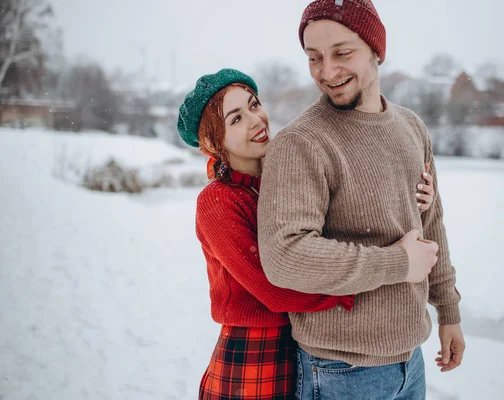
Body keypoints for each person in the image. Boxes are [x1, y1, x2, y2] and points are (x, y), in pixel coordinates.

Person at [176, 68, 437, 399]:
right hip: (256, 351)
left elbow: (345, 217)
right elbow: (275, 288)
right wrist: (368, 285)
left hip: (304, 343)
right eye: (236, 119)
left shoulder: (287, 173)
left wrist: (415, 198)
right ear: (213, 142)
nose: (256, 120)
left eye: (254, 105)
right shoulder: (218, 201)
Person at [257, 1, 466, 399]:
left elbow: (431, 221)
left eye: (342, 52)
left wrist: (448, 311)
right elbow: (285, 257)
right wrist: (399, 263)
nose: (327, 71)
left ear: (376, 50)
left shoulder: (410, 127)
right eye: (314, 58)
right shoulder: (302, 143)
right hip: (339, 371)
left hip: (411, 359)